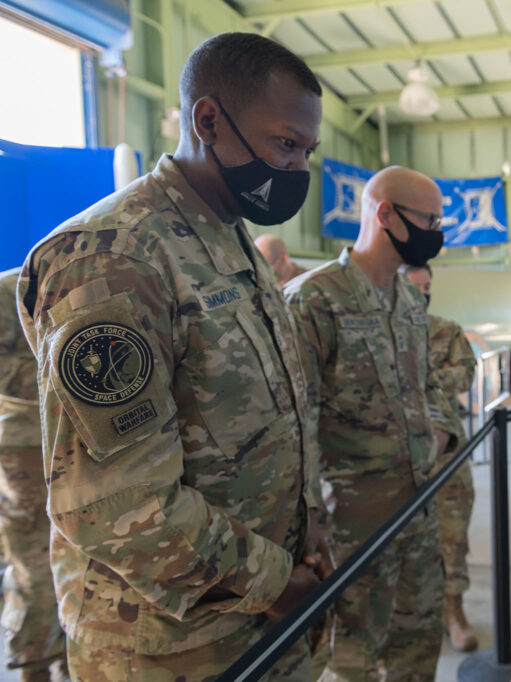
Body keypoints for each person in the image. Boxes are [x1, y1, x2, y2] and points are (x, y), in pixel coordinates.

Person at [16, 32, 331, 681]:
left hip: (259, 619)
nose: (297, 169)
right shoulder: (115, 258)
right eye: (285, 144)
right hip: (167, 648)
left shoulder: (229, 239)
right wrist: (274, 580)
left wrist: (308, 535)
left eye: (307, 151)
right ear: (208, 121)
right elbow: (114, 506)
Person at [285, 166, 459, 681]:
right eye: (430, 220)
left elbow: (430, 383)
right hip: (351, 527)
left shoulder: (408, 299)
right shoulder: (312, 300)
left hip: (418, 509)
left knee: (417, 645)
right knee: (350, 657)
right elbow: (296, 422)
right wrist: (310, 527)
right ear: (385, 214)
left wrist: (441, 432)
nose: (437, 232)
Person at [402, 264, 479, 652]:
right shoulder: (379, 332)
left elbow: (466, 374)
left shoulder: (446, 330)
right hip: (396, 456)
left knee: (452, 536)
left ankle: (454, 613)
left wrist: (422, 380)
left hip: (446, 455)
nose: (423, 292)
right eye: (416, 286)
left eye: (428, 286)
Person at [0, 270, 68, 682]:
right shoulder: (10, 290)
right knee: (34, 559)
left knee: (71, 553)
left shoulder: (59, 280)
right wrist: (54, 376)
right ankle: (32, 666)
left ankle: (63, 662)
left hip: (66, 438)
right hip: (24, 443)